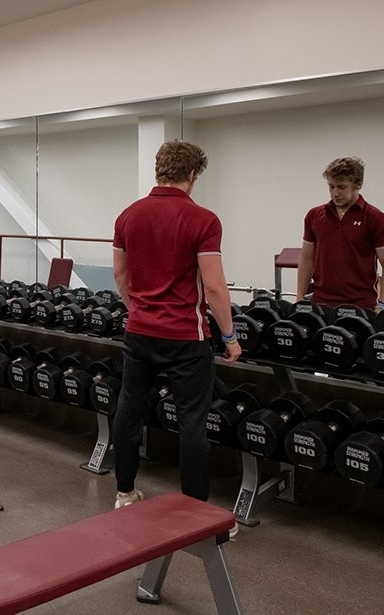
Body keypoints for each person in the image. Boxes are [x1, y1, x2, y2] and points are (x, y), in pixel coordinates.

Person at [110, 140, 241, 511]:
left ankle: (124, 494)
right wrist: (230, 337)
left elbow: (121, 274)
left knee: (129, 408)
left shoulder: (128, 216)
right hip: (186, 337)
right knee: (192, 422)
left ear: (159, 171)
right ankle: (195, 512)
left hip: (139, 332)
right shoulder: (204, 219)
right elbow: (214, 287)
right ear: (193, 173)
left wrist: (137, 309)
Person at [296, 156, 384, 311]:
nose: (335, 193)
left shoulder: (377, 219)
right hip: (321, 303)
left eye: (341, 187)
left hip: (361, 306)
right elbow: (307, 258)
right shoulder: (314, 216)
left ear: (357, 185)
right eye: (331, 187)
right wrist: (300, 297)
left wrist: (383, 303)